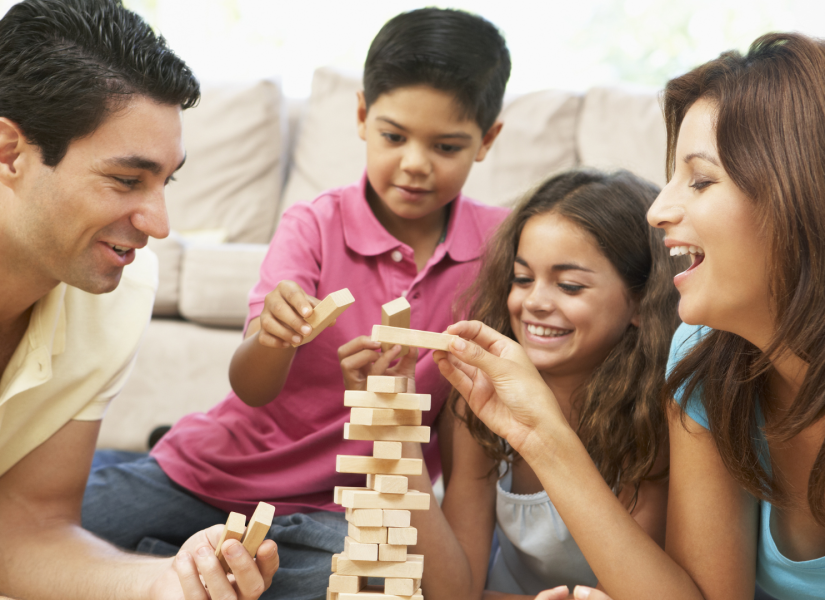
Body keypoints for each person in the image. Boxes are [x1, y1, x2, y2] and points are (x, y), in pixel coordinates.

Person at [82, 8, 510, 599]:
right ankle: (188, 555)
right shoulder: (314, 225)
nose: (415, 163)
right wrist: (273, 339)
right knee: (49, 533)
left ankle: (180, 564)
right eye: (393, 136)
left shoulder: (498, 250)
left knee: (379, 586)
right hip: (211, 476)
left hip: (340, 515)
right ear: (362, 116)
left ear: (487, 141)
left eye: (446, 145)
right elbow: (252, 387)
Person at [433, 32, 825, 600]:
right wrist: (540, 434)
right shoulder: (702, 356)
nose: (659, 210)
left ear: (800, 195)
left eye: (701, 179)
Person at [0, 1, 279, 599]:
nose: (158, 223)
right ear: (9, 152)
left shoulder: (114, 294)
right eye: (127, 180)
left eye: (165, 181)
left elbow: (29, 525)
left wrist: (166, 584)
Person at [400, 169, 683, 600]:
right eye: (522, 278)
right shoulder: (483, 402)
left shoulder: (653, 419)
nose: (534, 303)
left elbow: (628, 589)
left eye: (569, 285)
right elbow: (455, 591)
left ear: (642, 302)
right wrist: (396, 430)